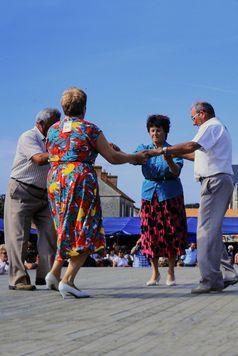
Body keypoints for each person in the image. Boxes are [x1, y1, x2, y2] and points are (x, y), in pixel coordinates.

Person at [45, 87, 148, 298]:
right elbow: (111, 157)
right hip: (80, 178)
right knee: (86, 227)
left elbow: (64, 147)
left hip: (56, 178)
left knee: (65, 226)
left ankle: (54, 273)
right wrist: (132, 157)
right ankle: (69, 280)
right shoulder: (90, 129)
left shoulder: (52, 129)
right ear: (84, 108)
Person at [147, 102, 238, 293]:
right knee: (212, 231)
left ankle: (209, 280)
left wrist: (164, 150)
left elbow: (191, 145)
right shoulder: (216, 128)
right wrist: (170, 153)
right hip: (219, 179)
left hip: (214, 180)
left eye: (193, 117)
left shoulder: (210, 126)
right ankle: (228, 273)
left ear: (202, 114)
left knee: (204, 232)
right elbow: (195, 154)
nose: (193, 121)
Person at [4, 108, 61, 291]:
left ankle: (47, 277)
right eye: (54, 124)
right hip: (21, 191)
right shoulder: (28, 137)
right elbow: (38, 159)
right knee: (18, 237)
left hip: (44, 194)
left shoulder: (56, 140)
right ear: (41, 124)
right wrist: (64, 154)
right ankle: (18, 279)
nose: (57, 127)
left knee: (51, 234)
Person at [135, 115, 187, 286]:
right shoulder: (144, 148)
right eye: (152, 130)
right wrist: (119, 151)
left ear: (165, 132)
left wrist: (169, 159)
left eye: (159, 130)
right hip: (149, 195)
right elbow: (133, 159)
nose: (155, 133)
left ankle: (171, 271)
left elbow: (176, 171)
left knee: (172, 232)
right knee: (150, 233)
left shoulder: (173, 150)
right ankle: (155, 272)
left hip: (171, 195)